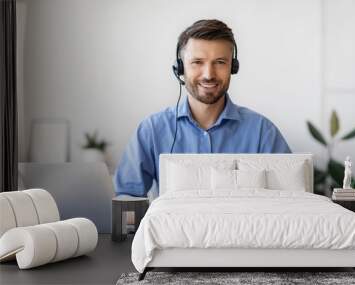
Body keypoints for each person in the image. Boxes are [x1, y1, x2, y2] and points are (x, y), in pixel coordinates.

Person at [114, 19, 291, 197]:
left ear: (233, 67)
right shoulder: (152, 129)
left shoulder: (262, 131)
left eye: (220, 62)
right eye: (197, 62)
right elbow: (127, 199)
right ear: (180, 68)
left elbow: (291, 198)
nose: (208, 74)